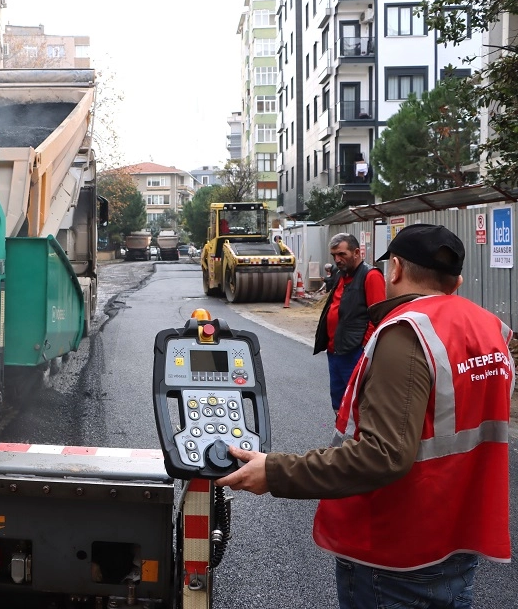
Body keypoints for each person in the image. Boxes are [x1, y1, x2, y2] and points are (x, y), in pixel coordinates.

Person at [218, 224, 513, 609]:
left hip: (396, 551)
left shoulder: (408, 332)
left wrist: (274, 471)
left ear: (394, 270)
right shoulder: (490, 327)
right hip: (458, 538)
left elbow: (383, 454)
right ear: (456, 280)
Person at [314, 233, 385, 411]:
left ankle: (358, 439)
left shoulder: (371, 276)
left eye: (342, 254)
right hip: (335, 351)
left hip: (354, 352)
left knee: (357, 404)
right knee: (339, 403)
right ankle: (342, 438)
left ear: (356, 252)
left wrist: (363, 348)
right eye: (334, 256)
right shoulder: (340, 275)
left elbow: (379, 317)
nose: (337, 260)